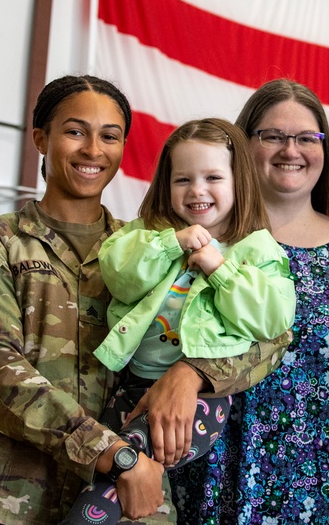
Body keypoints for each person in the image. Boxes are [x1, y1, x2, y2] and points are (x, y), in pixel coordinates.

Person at [0, 75, 290, 525]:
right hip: (18, 499)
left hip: (135, 506)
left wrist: (192, 374)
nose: (92, 149)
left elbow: (273, 336)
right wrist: (113, 454)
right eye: (74, 131)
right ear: (41, 138)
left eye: (109, 136)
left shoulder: (152, 247)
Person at [170, 80, 329, 524]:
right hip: (212, 482)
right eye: (272, 136)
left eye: (307, 137)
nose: (290, 149)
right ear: (241, 145)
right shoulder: (195, 241)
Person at [61, 118, 296, 525]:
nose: (197, 190)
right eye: (182, 179)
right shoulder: (150, 233)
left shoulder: (256, 248)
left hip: (203, 401)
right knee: (96, 463)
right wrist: (173, 242)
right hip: (133, 385)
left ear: (239, 182)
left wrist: (219, 269)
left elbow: (271, 318)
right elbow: (118, 272)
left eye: (213, 177)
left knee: (122, 464)